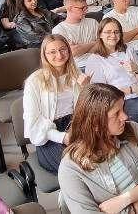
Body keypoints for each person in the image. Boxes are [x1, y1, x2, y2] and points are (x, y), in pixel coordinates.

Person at [58, 83, 138, 213]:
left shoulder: (134, 129)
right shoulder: (70, 169)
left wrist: (126, 199)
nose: (125, 117)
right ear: (95, 123)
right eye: (116, 114)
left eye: (123, 109)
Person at [23, 34, 90, 173]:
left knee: (100, 156)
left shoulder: (76, 73)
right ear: (45, 55)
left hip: (75, 125)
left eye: (63, 49)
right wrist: (63, 137)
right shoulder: (34, 81)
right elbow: (32, 120)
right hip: (49, 134)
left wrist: (86, 88)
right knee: (77, 168)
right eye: (52, 52)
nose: (59, 55)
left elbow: (85, 109)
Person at [85, 18, 138, 125]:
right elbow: (101, 95)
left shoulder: (128, 49)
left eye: (116, 32)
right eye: (108, 32)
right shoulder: (95, 60)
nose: (113, 35)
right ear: (100, 34)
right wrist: (131, 89)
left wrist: (136, 70)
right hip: (123, 103)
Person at [51, 0, 100, 68]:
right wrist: (94, 43)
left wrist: (80, 48)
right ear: (70, 8)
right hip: (78, 67)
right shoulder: (58, 30)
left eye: (86, 7)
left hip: (100, 61)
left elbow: (103, 44)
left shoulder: (93, 22)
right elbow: (73, 52)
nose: (86, 11)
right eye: (82, 8)